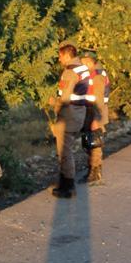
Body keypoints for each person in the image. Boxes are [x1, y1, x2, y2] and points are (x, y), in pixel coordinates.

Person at [48, 41, 88, 198]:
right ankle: (65, 183)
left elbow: (64, 98)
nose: (59, 60)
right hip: (79, 112)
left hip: (69, 115)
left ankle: (68, 187)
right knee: (67, 150)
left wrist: (53, 103)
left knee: (64, 152)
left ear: (66, 55)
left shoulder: (69, 72)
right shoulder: (82, 68)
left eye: (60, 56)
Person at [78, 50, 109, 185]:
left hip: (95, 113)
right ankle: (91, 171)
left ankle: (95, 173)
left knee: (95, 144)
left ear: (92, 62)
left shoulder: (97, 76)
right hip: (89, 112)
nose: (83, 64)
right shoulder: (90, 74)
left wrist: (96, 119)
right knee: (89, 143)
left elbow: (99, 100)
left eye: (86, 62)